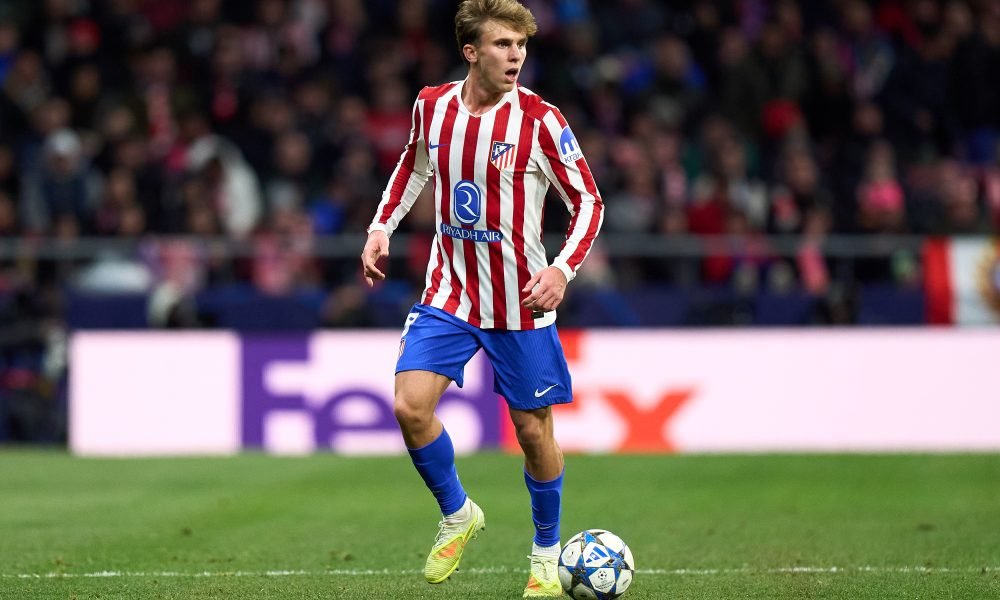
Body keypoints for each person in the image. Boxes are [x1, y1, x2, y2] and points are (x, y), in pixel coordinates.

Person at [360, 1, 603, 596]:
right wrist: (382, 226)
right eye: (502, 44)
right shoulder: (432, 106)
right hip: (449, 291)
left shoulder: (541, 121)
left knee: (532, 432)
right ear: (471, 52)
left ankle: (546, 553)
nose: (515, 55)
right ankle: (458, 512)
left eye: (521, 45)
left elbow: (589, 202)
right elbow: (413, 166)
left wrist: (562, 270)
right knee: (409, 407)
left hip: (520, 300)